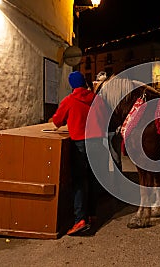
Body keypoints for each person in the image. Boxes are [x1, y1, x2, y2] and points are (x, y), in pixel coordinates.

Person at [51, 71, 108, 236]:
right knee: (92, 179)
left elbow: (57, 121)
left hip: (80, 143)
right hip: (97, 142)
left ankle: (80, 220)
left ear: (72, 85)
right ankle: (92, 214)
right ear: (85, 82)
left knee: (79, 181)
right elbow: (105, 119)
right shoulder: (98, 100)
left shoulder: (69, 100)